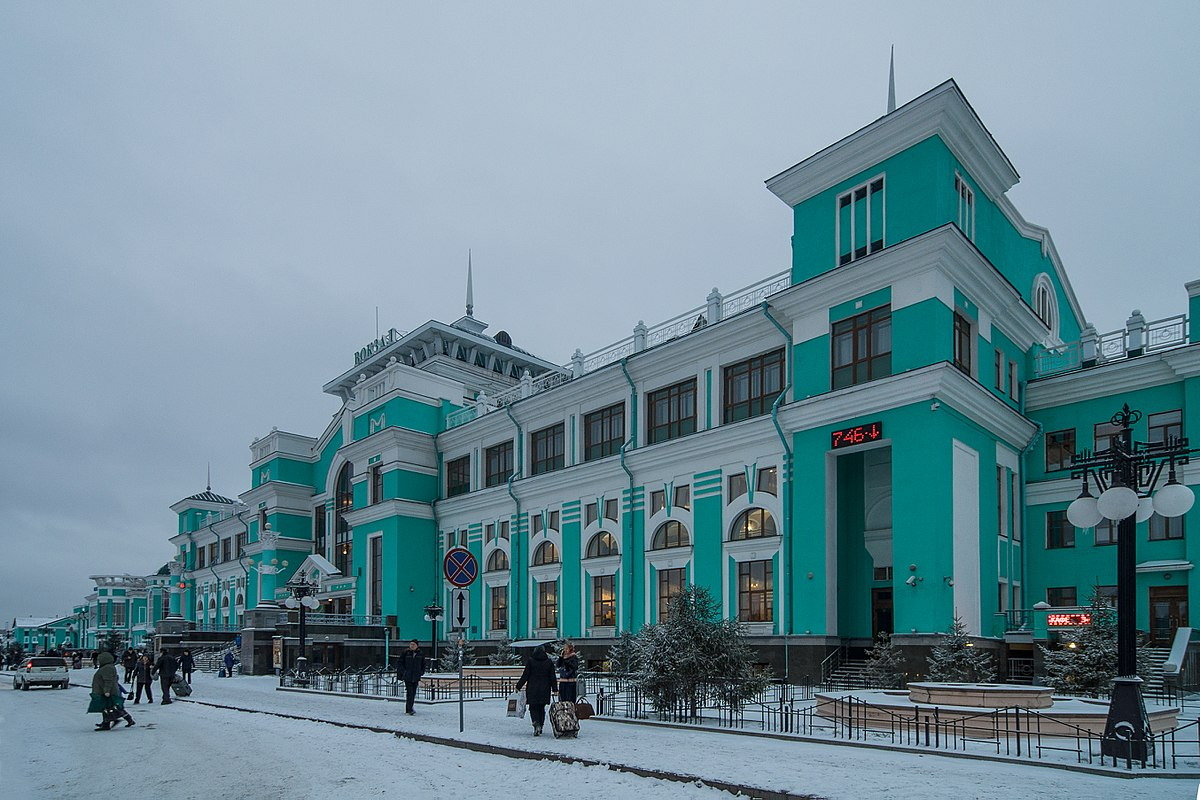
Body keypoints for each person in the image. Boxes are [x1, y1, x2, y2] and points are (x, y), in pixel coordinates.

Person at [515, 645, 558, 736]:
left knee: (533, 707)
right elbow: (552, 677)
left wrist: (518, 686)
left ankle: (536, 723)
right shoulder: (549, 662)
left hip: (532, 688)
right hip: (545, 688)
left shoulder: (531, 661)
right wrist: (555, 689)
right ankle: (541, 725)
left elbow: (525, 675)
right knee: (541, 708)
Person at [88, 652, 134, 731]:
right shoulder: (106, 667)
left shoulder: (107, 668)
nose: (98, 661)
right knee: (109, 707)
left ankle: (107, 723)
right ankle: (107, 722)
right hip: (105, 691)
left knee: (111, 708)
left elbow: (108, 680)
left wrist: (107, 691)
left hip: (108, 692)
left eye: (100, 659)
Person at [398, 639, 425, 715]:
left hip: (416, 676)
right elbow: (400, 663)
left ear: (417, 646)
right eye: (411, 644)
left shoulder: (420, 654)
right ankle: (409, 709)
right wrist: (404, 672)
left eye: (413, 644)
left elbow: (423, 664)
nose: (412, 646)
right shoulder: (406, 653)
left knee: (413, 693)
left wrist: (421, 672)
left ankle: (410, 707)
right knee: (410, 693)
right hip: (408, 676)